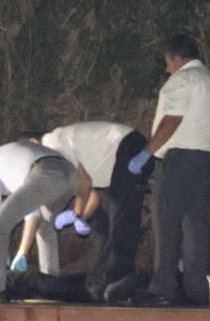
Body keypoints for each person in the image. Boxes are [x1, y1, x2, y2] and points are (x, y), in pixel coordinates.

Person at [127, 33, 210, 307]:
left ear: (176, 57)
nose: (166, 67)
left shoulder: (182, 80)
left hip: (180, 162)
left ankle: (164, 287)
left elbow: (172, 120)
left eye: (167, 62)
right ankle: (196, 291)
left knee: (167, 224)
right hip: (208, 162)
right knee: (197, 226)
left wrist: (146, 153)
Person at [39, 121, 154, 302]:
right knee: (101, 223)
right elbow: (91, 193)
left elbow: (84, 182)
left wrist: (76, 213)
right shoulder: (57, 148)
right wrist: (81, 218)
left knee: (121, 218)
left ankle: (117, 279)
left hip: (128, 147)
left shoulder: (53, 144)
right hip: (113, 167)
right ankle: (99, 280)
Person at [0, 140, 90, 299]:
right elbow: (33, 215)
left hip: (45, 172)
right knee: (46, 227)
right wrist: (22, 252)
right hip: (70, 175)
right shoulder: (8, 165)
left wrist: (2, 259)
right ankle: (51, 285)